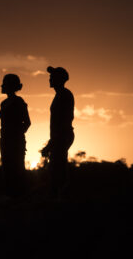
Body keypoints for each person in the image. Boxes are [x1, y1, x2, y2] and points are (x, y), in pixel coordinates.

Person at [41, 66, 75, 197]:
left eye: (52, 76)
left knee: (58, 170)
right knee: (56, 168)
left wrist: (51, 144)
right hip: (60, 136)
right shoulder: (60, 95)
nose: (50, 79)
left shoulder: (64, 95)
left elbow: (64, 122)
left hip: (62, 136)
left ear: (59, 79)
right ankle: (58, 197)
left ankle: (60, 200)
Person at [0, 74, 31, 196]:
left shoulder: (19, 101)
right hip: (4, 140)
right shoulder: (3, 103)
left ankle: (19, 197)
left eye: (4, 83)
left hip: (15, 140)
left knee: (17, 168)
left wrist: (17, 136)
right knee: (6, 168)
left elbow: (27, 122)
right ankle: (10, 195)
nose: (1, 86)